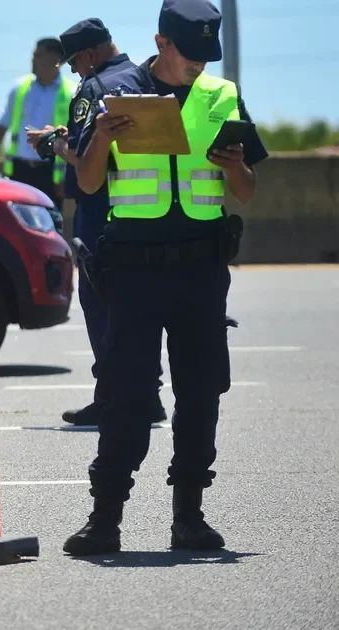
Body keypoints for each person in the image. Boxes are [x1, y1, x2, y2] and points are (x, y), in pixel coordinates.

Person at [62, 0, 268, 557]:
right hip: (135, 271)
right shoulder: (117, 93)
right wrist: (102, 135)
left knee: (202, 394)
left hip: (202, 271)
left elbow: (246, 190)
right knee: (126, 396)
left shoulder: (221, 97)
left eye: (207, 55)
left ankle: (190, 518)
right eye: (190, 54)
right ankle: (105, 519)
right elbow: (85, 182)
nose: (200, 65)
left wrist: (234, 168)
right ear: (161, 43)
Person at [27, 19, 166, 427]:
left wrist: (53, 143)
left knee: (101, 304)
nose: (71, 70)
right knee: (137, 306)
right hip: (139, 208)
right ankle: (147, 395)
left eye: (74, 61)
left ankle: (111, 398)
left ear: (89, 54)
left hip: (97, 214)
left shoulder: (94, 87)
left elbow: (89, 158)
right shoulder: (144, 76)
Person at [0, 37, 79, 204]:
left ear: (56, 60)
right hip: (19, 170)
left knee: (50, 223)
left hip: (50, 174)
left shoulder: (71, 92)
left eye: (38, 55)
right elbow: (2, 124)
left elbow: (75, 137)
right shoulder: (19, 88)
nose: (32, 59)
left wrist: (66, 175)